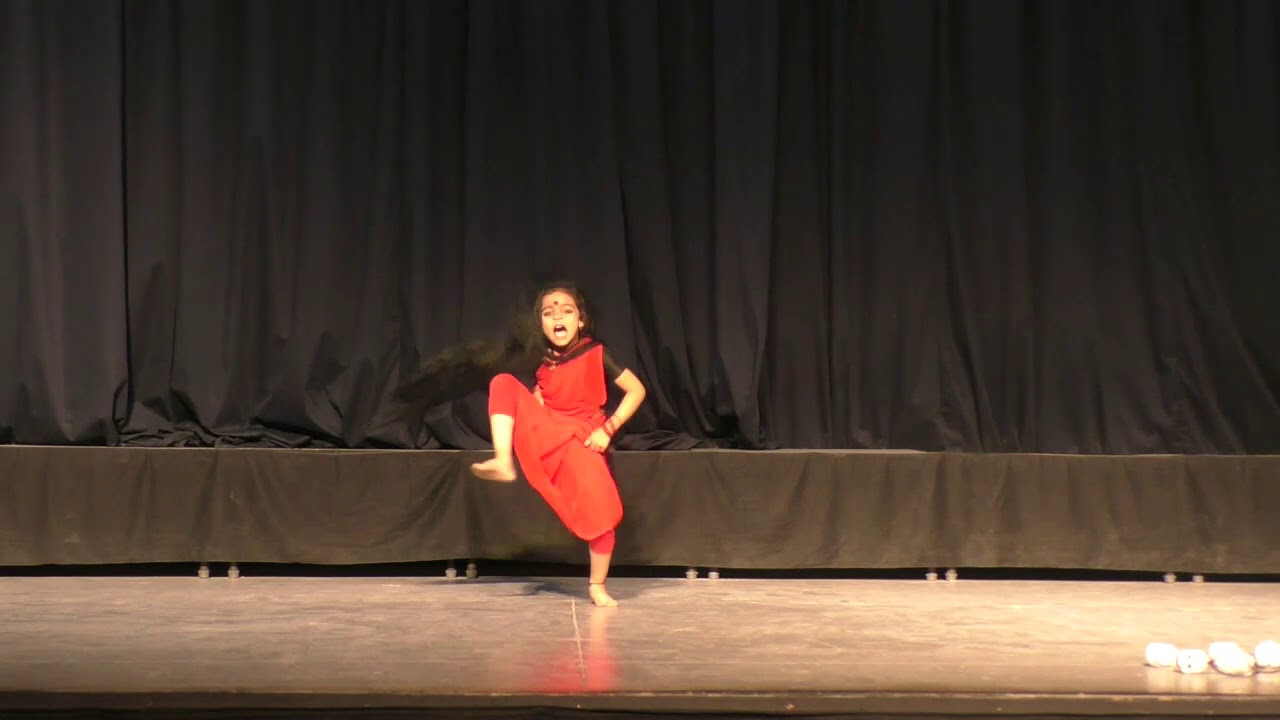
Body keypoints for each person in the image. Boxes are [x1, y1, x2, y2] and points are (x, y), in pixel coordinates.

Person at [394, 281, 646, 607]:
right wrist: (530, 413)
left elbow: (636, 390)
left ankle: (597, 585)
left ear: (580, 320)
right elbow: (540, 403)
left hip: (583, 438)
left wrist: (608, 429)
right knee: (503, 383)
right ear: (541, 323)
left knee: (600, 516)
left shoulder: (596, 353)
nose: (558, 316)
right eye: (548, 312)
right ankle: (503, 460)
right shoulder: (543, 363)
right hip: (553, 430)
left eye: (567, 310)